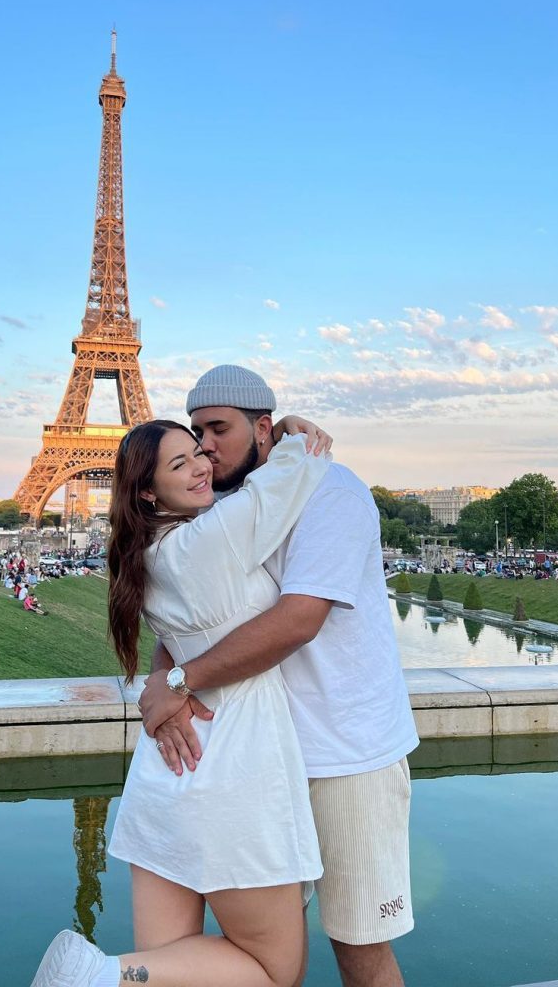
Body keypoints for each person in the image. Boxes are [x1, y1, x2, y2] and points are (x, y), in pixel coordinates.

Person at [138, 366, 419, 987]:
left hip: (347, 756)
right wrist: (163, 676)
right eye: (196, 432)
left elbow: (298, 621)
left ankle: (116, 975)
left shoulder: (331, 491)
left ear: (263, 428)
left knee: (359, 948)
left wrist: (179, 683)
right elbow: (191, 617)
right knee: (265, 955)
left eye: (218, 429)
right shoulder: (229, 509)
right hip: (261, 759)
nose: (205, 446)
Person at [31, 420, 330, 987]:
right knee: (276, 970)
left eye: (199, 453)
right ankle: (106, 976)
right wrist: (287, 431)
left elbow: (175, 644)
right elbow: (291, 475)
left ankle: (112, 975)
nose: (200, 466)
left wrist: (165, 680)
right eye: (179, 464)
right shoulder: (206, 538)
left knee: (173, 974)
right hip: (234, 763)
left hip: (167, 772)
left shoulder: (145, 554)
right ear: (147, 491)